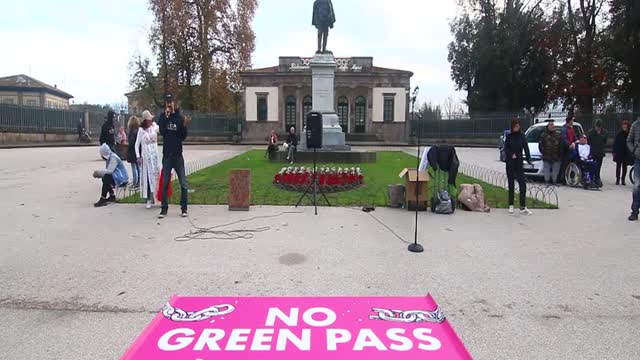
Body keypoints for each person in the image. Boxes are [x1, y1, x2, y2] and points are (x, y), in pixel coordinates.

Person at [157, 94, 191, 218]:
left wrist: (185, 126)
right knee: (165, 183)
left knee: (183, 183)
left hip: (177, 155)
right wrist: (166, 117)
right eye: (167, 102)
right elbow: (162, 131)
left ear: (174, 104)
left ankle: (184, 208)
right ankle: (164, 209)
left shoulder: (179, 118)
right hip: (167, 155)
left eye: (171, 102)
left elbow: (182, 136)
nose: (169, 104)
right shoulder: (162, 117)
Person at [504, 118, 533, 215]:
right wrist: (511, 154)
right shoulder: (509, 136)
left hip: (519, 163)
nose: (516, 128)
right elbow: (506, 148)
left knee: (522, 184)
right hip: (510, 163)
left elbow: (526, 148)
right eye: (515, 126)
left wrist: (529, 159)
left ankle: (522, 206)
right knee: (511, 184)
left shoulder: (522, 136)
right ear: (512, 127)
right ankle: (511, 205)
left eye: (518, 126)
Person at [135, 110, 161, 209]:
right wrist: (138, 156)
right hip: (146, 157)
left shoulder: (154, 126)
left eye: (151, 119)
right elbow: (136, 145)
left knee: (156, 177)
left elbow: (161, 129)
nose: (150, 121)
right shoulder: (141, 130)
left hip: (155, 157)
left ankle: (158, 198)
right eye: (149, 120)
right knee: (148, 178)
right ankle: (149, 199)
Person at [538, 120, 563, 186]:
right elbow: (540, 145)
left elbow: (561, 145)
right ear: (548, 126)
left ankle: (554, 181)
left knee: (555, 169)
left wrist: (560, 154)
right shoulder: (543, 135)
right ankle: (547, 181)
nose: (552, 126)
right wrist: (543, 152)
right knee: (546, 169)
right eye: (551, 125)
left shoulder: (558, 135)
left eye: (553, 125)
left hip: (556, 155)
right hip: (547, 155)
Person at [588, 119, 608, 188]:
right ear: (595, 126)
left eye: (599, 127)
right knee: (592, 166)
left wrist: (600, 135)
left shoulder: (604, 132)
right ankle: (592, 179)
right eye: (597, 127)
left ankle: (597, 178)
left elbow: (605, 141)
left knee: (598, 167)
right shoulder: (591, 132)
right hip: (593, 152)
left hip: (600, 152)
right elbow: (589, 141)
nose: (598, 128)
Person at [627, 117, 640, 221]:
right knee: (637, 186)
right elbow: (629, 140)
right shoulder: (635, 125)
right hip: (638, 159)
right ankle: (635, 211)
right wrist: (633, 151)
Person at [613, 120, 632, 186]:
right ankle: (617, 179)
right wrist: (614, 151)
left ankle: (623, 179)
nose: (624, 127)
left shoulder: (629, 134)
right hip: (619, 152)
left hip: (626, 152)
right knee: (618, 166)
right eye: (623, 126)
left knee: (624, 166)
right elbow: (615, 143)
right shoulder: (619, 134)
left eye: (625, 126)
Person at [127, 116, 141, 189]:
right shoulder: (138, 130)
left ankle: (135, 182)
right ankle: (139, 181)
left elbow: (132, 142)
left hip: (132, 151)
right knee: (138, 167)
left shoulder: (132, 131)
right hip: (138, 150)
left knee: (134, 167)